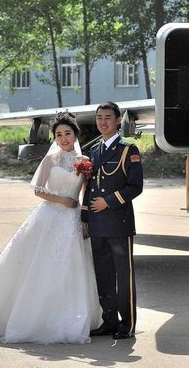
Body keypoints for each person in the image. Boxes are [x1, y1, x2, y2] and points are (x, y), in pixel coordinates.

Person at [0, 111, 102, 344]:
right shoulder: (51, 160)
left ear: (75, 134)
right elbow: (37, 189)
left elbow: (86, 191)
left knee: (73, 266)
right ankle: (29, 318)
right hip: (50, 216)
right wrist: (62, 201)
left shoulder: (84, 160)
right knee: (40, 266)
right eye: (59, 135)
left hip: (73, 220)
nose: (64, 138)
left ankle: (68, 318)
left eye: (68, 133)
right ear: (54, 138)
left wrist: (84, 217)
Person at [81, 101, 143, 340]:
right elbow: (89, 187)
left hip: (119, 223)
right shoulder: (95, 151)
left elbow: (135, 187)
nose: (103, 122)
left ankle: (126, 325)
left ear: (118, 120)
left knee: (123, 276)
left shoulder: (129, 150)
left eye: (108, 117)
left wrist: (109, 201)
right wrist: (85, 216)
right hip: (97, 224)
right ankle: (108, 322)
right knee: (103, 275)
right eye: (99, 117)